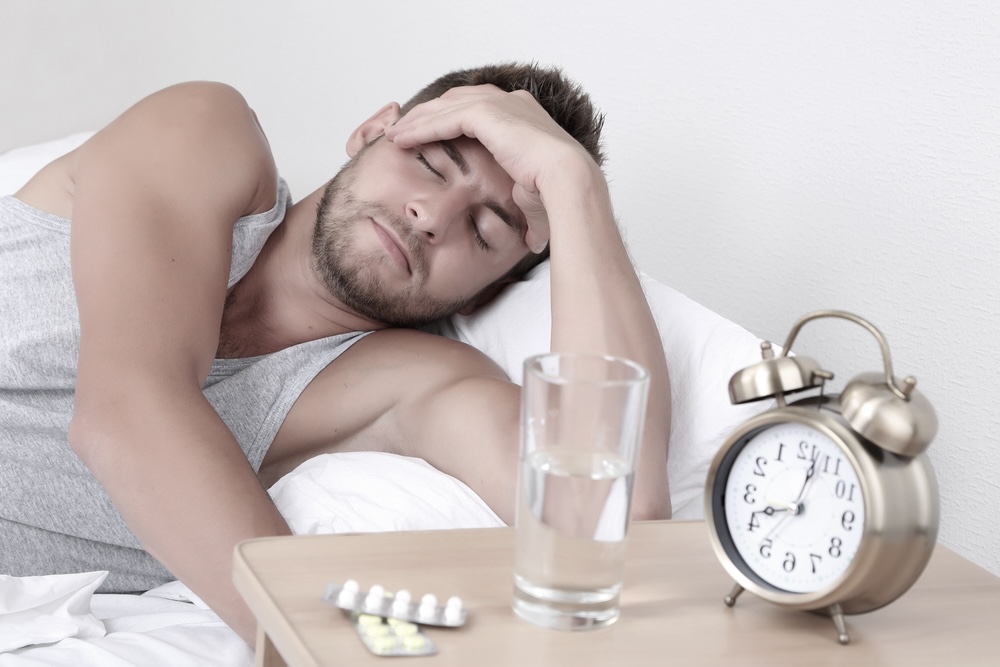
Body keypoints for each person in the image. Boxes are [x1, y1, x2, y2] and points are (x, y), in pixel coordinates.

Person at [0, 63, 671, 644]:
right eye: (432, 164)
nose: (432, 215)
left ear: (483, 295)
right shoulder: (204, 134)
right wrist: (323, 648)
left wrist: (573, 185)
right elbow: (125, 415)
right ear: (373, 130)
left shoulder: (406, 383)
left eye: (485, 229)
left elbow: (615, 519)